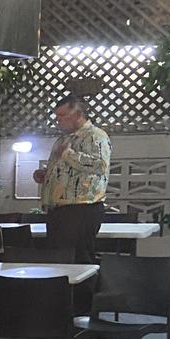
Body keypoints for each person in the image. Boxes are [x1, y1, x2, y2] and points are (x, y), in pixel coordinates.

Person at [34, 94, 111, 263]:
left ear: (77, 115)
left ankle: (84, 290)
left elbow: (100, 165)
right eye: (56, 116)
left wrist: (68, 154)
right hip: (58, 209)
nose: (58, 120)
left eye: (62, 116)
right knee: (59, 258)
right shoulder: (63, 138)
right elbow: (63, 168)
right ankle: (62, 289)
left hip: (81, 208)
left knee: (79, 258)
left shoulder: (96, 136)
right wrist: (45, 174)